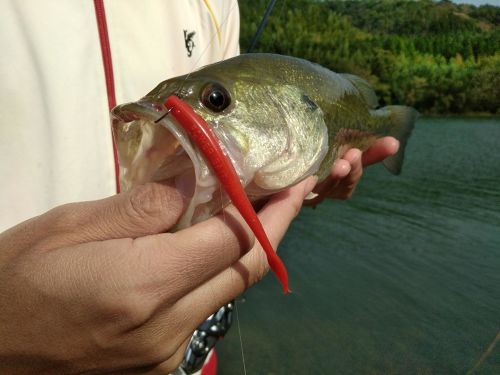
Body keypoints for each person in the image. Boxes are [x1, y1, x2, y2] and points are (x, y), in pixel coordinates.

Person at [0, 1, 399, 373]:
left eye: (215, 100)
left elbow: (243, 166)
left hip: (194, 355)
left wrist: (301, 188)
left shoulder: (219, 4)